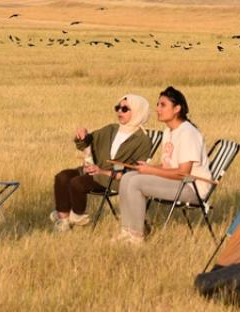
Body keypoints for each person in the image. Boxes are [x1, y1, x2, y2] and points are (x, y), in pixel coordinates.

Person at [115, 86, 210, 245]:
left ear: (177, 109)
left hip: (191, 188)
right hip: (177, 183)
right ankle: (126, 231)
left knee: (136, 182)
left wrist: (150, 171)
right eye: (158, 104)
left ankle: (136, 236)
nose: (157, 109)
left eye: (163, 105)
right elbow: (168, 166)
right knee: (128, 177)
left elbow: (183, 173)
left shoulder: (187, 133)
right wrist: (147, 168)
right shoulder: (168, 131)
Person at [51, 94, 153, 233]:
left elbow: (136, 169)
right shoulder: (111, 129)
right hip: (93, 170)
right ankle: (64, 221)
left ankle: (77, 216)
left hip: (112, 178)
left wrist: (103, 171)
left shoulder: (142, 140)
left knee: (77, 182)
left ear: (137, 112)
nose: (119, 112)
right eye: (117, 108)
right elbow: (85, 143)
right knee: (62, 177)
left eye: (124, 109)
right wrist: (82, 136)